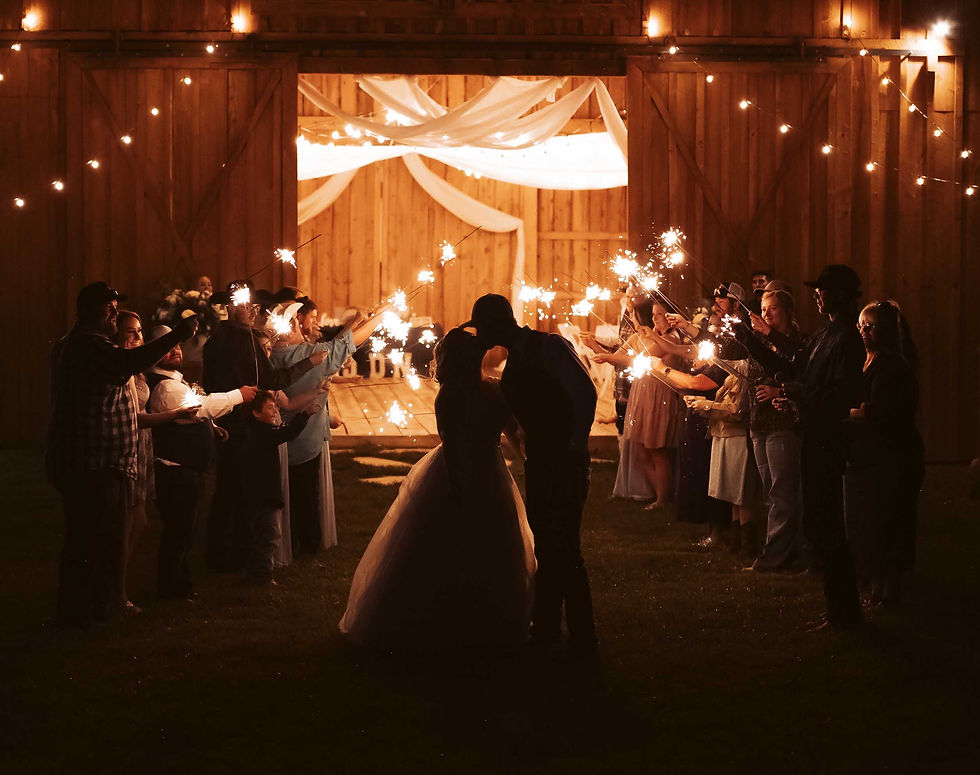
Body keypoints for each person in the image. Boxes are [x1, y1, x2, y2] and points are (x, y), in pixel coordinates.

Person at [339, 329, 535, 651]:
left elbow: (454, 445)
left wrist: (458, 485)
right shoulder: (493, 391)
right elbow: (514, 434)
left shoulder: (450, 395)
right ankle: (490, 621)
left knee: (443, 544)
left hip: (455, 472)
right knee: (492, 545)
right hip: (489, 471)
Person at [46, 281, 198, 627]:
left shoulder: (75, 346)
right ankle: (88, 612)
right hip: (93, 462)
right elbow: (129, 362)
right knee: (94, 539)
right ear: (87, 312)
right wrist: (179, 333)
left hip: (87, 460)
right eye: (107, 308)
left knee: (91, 538)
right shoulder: (89, 346)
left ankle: (86, 607)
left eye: (116, 307)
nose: (113, 313)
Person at [464, 294, 598, 657]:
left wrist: (575, 443)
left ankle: (583, 636)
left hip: (566, 459)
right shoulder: (510, 363)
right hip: (539, 461)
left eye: (484, 327)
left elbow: (585, 392)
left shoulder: (549, 345)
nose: (482, 335)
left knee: (565, 545)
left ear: (498, 323)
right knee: (546, 543)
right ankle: (547, 626)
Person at [737, 264, 865, 629]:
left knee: (827, 524)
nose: (817, 295)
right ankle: (838, 608)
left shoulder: (846, 339)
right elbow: (792, 366)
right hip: (814, 438)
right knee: (818, 522)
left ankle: (846, 612)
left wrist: (793, 392)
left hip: (828, 440)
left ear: (839, 294)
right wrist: (747, 339)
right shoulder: (826, 335)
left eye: (822, 290)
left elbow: (840, 395)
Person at [201, 281, 329, 572]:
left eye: (255, 306)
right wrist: (308, 362)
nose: (253, 310)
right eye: (247, 305)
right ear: (233, 306)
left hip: (224, 423)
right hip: (245, 427)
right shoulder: (241, 340)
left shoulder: (219, 337)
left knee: (227, 490)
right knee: (246, 494)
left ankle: (219, 554)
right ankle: (241, 557)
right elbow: (271, 381)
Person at [145, 326, 257, 599]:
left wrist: (212, 428)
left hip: (187, 469)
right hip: (176, 470)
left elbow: (193, 415)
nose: (176, 350)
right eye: (167, 347)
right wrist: (237, 395)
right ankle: (172, 588)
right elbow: (200, 408)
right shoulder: (164, 387)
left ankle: (179, 583)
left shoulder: (174, 380)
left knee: (185, 529)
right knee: (178, 532)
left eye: (177, 345)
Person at [270, 307, 385, 556]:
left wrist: (354, 322)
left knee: (284, 498)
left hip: (276, 444)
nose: (299, 327)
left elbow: (337, 344)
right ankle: (307, 548)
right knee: (307, 498)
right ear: (287, 330)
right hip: (304, 443)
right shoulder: (308, 355)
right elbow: (346, 345)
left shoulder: (269, 358)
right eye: (293, 324)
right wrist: (381, 317)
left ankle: (286, 543)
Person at [114, 311, 197, 614]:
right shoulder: (119, 368)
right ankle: (116, 593)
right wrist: (175, 415)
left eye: (139, 332)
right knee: (128, 524)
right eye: (130, 332)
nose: (137, 338)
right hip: (129, 443)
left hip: (142, 447)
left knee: (139, 521)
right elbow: (134, 418)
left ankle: (117, 587)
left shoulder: (138, 367)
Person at [845, 301, 923, 611]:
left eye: (871, 326)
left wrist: (842, 410)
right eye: (861, 325)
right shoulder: (863, 363)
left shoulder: (892, 367)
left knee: (889, 521)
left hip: (892, 457)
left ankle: (890, 590)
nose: (864, 331)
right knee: (868, 522)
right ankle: (875, 585)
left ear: (887, 330)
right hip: (867, 455)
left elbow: (876, 413)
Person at [593, 299, 680, 507]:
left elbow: (639, 358)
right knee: (642, 449)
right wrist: (598, 349)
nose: (655, 319)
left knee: (658, 450)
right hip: (644, 396)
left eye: (659, 314)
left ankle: (663, 499)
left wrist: (606, 356)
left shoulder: (671, 339)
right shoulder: (657, 338)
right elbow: (623, 355)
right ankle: (658, 494)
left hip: (659, 398)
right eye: (653, 315)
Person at [744, 286, 807, 571]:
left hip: (783, 423)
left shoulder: (798, 342)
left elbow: (798, 371)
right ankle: (779, 549)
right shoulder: (758, 339)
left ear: (787, 312)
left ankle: (777, 557)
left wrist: (778, 390)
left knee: (782, 491)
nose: (766, 314)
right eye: (763, 308)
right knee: (771, 490)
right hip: (759, 423)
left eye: (773, 308)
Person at [238, 391, 318, 585]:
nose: (275, 411)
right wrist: (305, 414)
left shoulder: (257, 429)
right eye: (270, 407)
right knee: (271, 534)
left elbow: (283, 429)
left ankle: (254, 574)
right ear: (256, 413)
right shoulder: (261, 433)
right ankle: (262, 576)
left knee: (262, 534)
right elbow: (288, 432)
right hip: (264, 494)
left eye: (275, 406)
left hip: (260, 493)